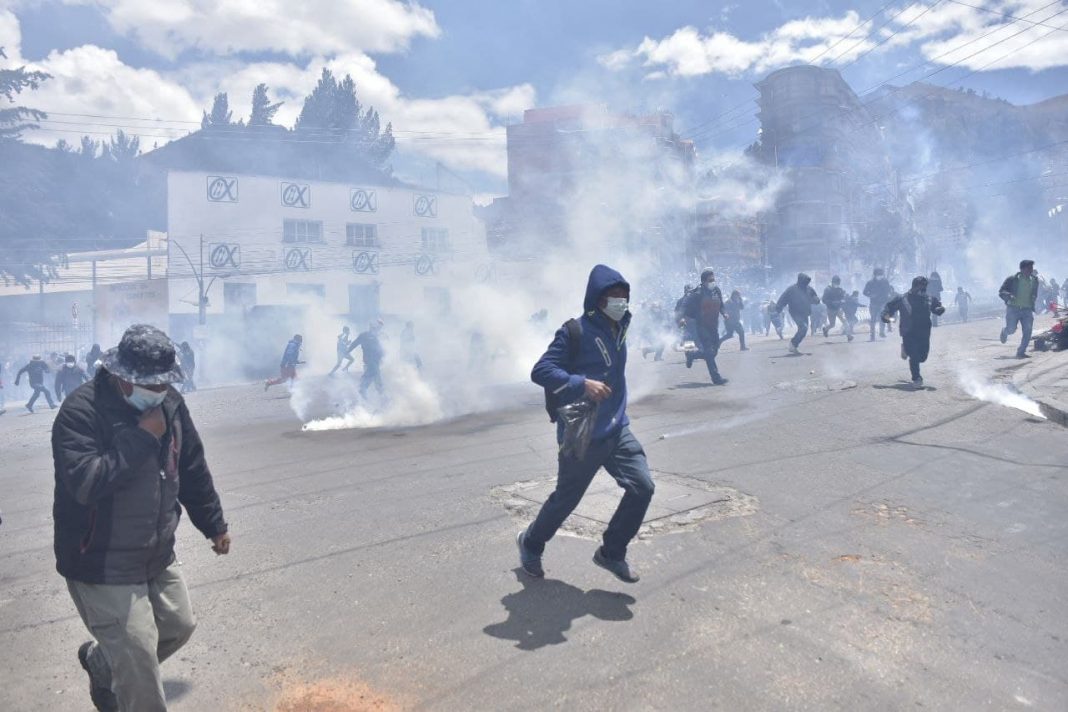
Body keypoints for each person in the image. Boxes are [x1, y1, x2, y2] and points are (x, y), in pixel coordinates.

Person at [52, 324, 229, 712]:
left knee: (178, 626)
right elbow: (86, 483)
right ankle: (122, 673)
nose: (161, 391)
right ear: (122, 379)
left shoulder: (170, 403)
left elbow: (192, 467)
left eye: (166, 383)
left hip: (155, 551)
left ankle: (101, 663)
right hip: (100, 561)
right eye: (153, 384)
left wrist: (213, 524)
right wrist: (142, 437)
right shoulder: (81, 413)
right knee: (140, 670)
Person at [519, 264, 654, 583]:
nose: (620, 302)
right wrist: (582, 384)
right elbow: (541, 371)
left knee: (642, 487)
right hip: (582, 430)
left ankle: (611, 553)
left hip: (618, 428)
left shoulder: (620, 329)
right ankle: (531, 542)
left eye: (624, 296)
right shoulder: (573, 331)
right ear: (597, 299)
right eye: (613, 296)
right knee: (565, 500)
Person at [882, 276, 945, 388]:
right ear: (914, 286)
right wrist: (885, 315)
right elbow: (889, 307)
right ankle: (916, 378)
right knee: (914, 356)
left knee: (922, 357)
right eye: (921, 287)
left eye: (925, 287)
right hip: (908, 331)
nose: (923, 289)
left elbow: (937, 307)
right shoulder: (903, 298)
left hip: (924, 332)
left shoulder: (929, 298)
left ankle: (905, 349)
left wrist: (939, 309)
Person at [680, 268, 729, 384]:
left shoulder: (716, 290)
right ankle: (716, 378)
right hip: (701, 325)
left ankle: (692, 355)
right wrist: (681, 318)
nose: (713, 282)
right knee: (708, 350)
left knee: (714, 351)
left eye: (713, 279)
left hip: (713, 325)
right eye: (710, 280)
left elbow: (721, 305)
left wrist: (724, 313)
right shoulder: (697, 293)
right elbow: (684, 306)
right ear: (703, 281)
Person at [999, 259, 1040, 359]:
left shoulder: (1035, 280)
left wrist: (1033, 300)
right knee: (1011, 329)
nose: (1031, 270)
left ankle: (1021, 352)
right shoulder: (1012, 279)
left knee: (1028, 331)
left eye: (1031, 268)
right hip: (1013, 309)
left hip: (1027, 310)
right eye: (1028, 268)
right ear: (1022, 269)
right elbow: (1001, 291)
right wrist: (1009, 295)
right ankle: (1005, 331)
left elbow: (1034, 293)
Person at [775, 273, 820, 354]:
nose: (806, 283)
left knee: (803, 330)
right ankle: (792, 344)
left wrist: (817, 300)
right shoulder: (792, 289)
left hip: (805, 312)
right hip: (795, 312)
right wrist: (778, 308)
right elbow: (783, 299)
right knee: (804, 327)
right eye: (804, 281)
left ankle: (794, 345)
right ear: (800, 281)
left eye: (807, 282)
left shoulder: (809, 289)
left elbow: (815, 298)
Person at [348, 320, 385, 398]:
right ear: (371, 327)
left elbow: (381, 349)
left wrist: (383, 355)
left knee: (373, 376)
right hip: (370, 360)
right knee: (376, 375)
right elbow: (354, 343)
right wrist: (347, 351)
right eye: (374, 327)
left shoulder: (377, 336)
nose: (376, 329)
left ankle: (364, 390)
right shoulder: (364, 335)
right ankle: (381, 396)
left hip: (375, 361)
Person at [863, 268, 894, 341]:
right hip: (873, 303)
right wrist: (871, 295)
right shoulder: (870, 283)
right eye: (879, 275)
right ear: (875, 275)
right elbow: (864, 292)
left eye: (881, 275)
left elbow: (889, 290)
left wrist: (888, 295)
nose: (880, 276)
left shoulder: (885, 281)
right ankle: (872, 336)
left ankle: (881, 332)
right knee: (873, 320)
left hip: (883, 302)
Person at [822, 276, 850, 341]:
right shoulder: (827, 289)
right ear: (832, 282)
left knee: (845, 321)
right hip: (830, 309)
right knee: (832, 324)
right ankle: (825, 329)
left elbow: (843, 297)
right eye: (835, 283)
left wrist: (844, 299)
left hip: (838, 309)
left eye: (838, 283)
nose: (837, 285)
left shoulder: (840, 289)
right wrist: (832, 302)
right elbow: (824, 300)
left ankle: (849, 335)